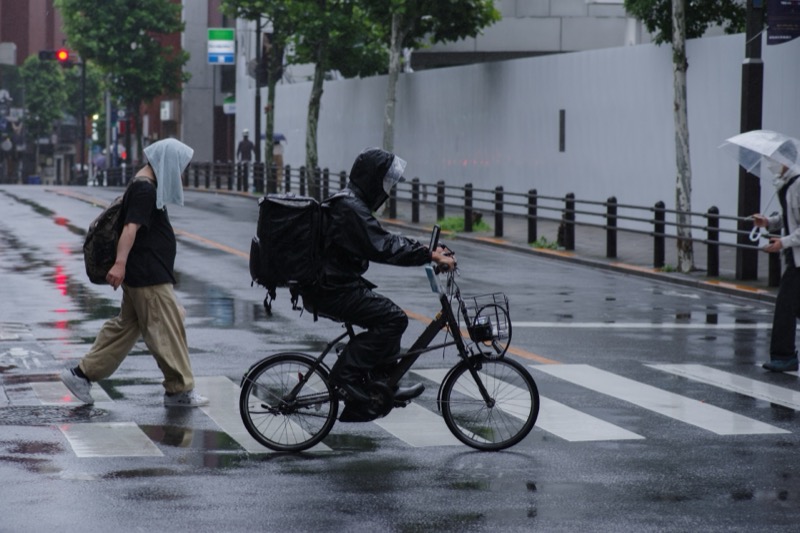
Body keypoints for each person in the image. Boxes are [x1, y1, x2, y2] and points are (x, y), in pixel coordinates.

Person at [300, 147, 455, 420]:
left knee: (389, 318)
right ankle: (345, 376)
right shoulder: (349, 207)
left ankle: (382, 384)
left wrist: (426, 250)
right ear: (372, 178)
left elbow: (382, 237)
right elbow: (383, 246)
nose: (387, 190)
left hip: (335, 285)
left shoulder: (352, 204)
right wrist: (428, 255)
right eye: (385, 181)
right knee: (393, 319)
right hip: (332, 290)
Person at [61, 138, 209, 407]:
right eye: (179, 166)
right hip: (148, 275)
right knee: (165, 330)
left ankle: (81, 375)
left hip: (143, 273)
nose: (180, 173)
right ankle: (179, 390)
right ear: (167, 163)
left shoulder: (144, 183)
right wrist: (120, 264)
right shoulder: (145, 189)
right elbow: (130, 229)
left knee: (124, 330)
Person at [752, 144, 800, 373]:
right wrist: (768, 223)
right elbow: (789, 217)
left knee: (785, 306)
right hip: (794, 256)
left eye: (773, 159)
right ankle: (784, 355)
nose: (770, 164)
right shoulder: (787, 184)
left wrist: (784, 242)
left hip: (797, 258)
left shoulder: (798, 184)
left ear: (785, 160)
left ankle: (784, 356)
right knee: (792, 305)